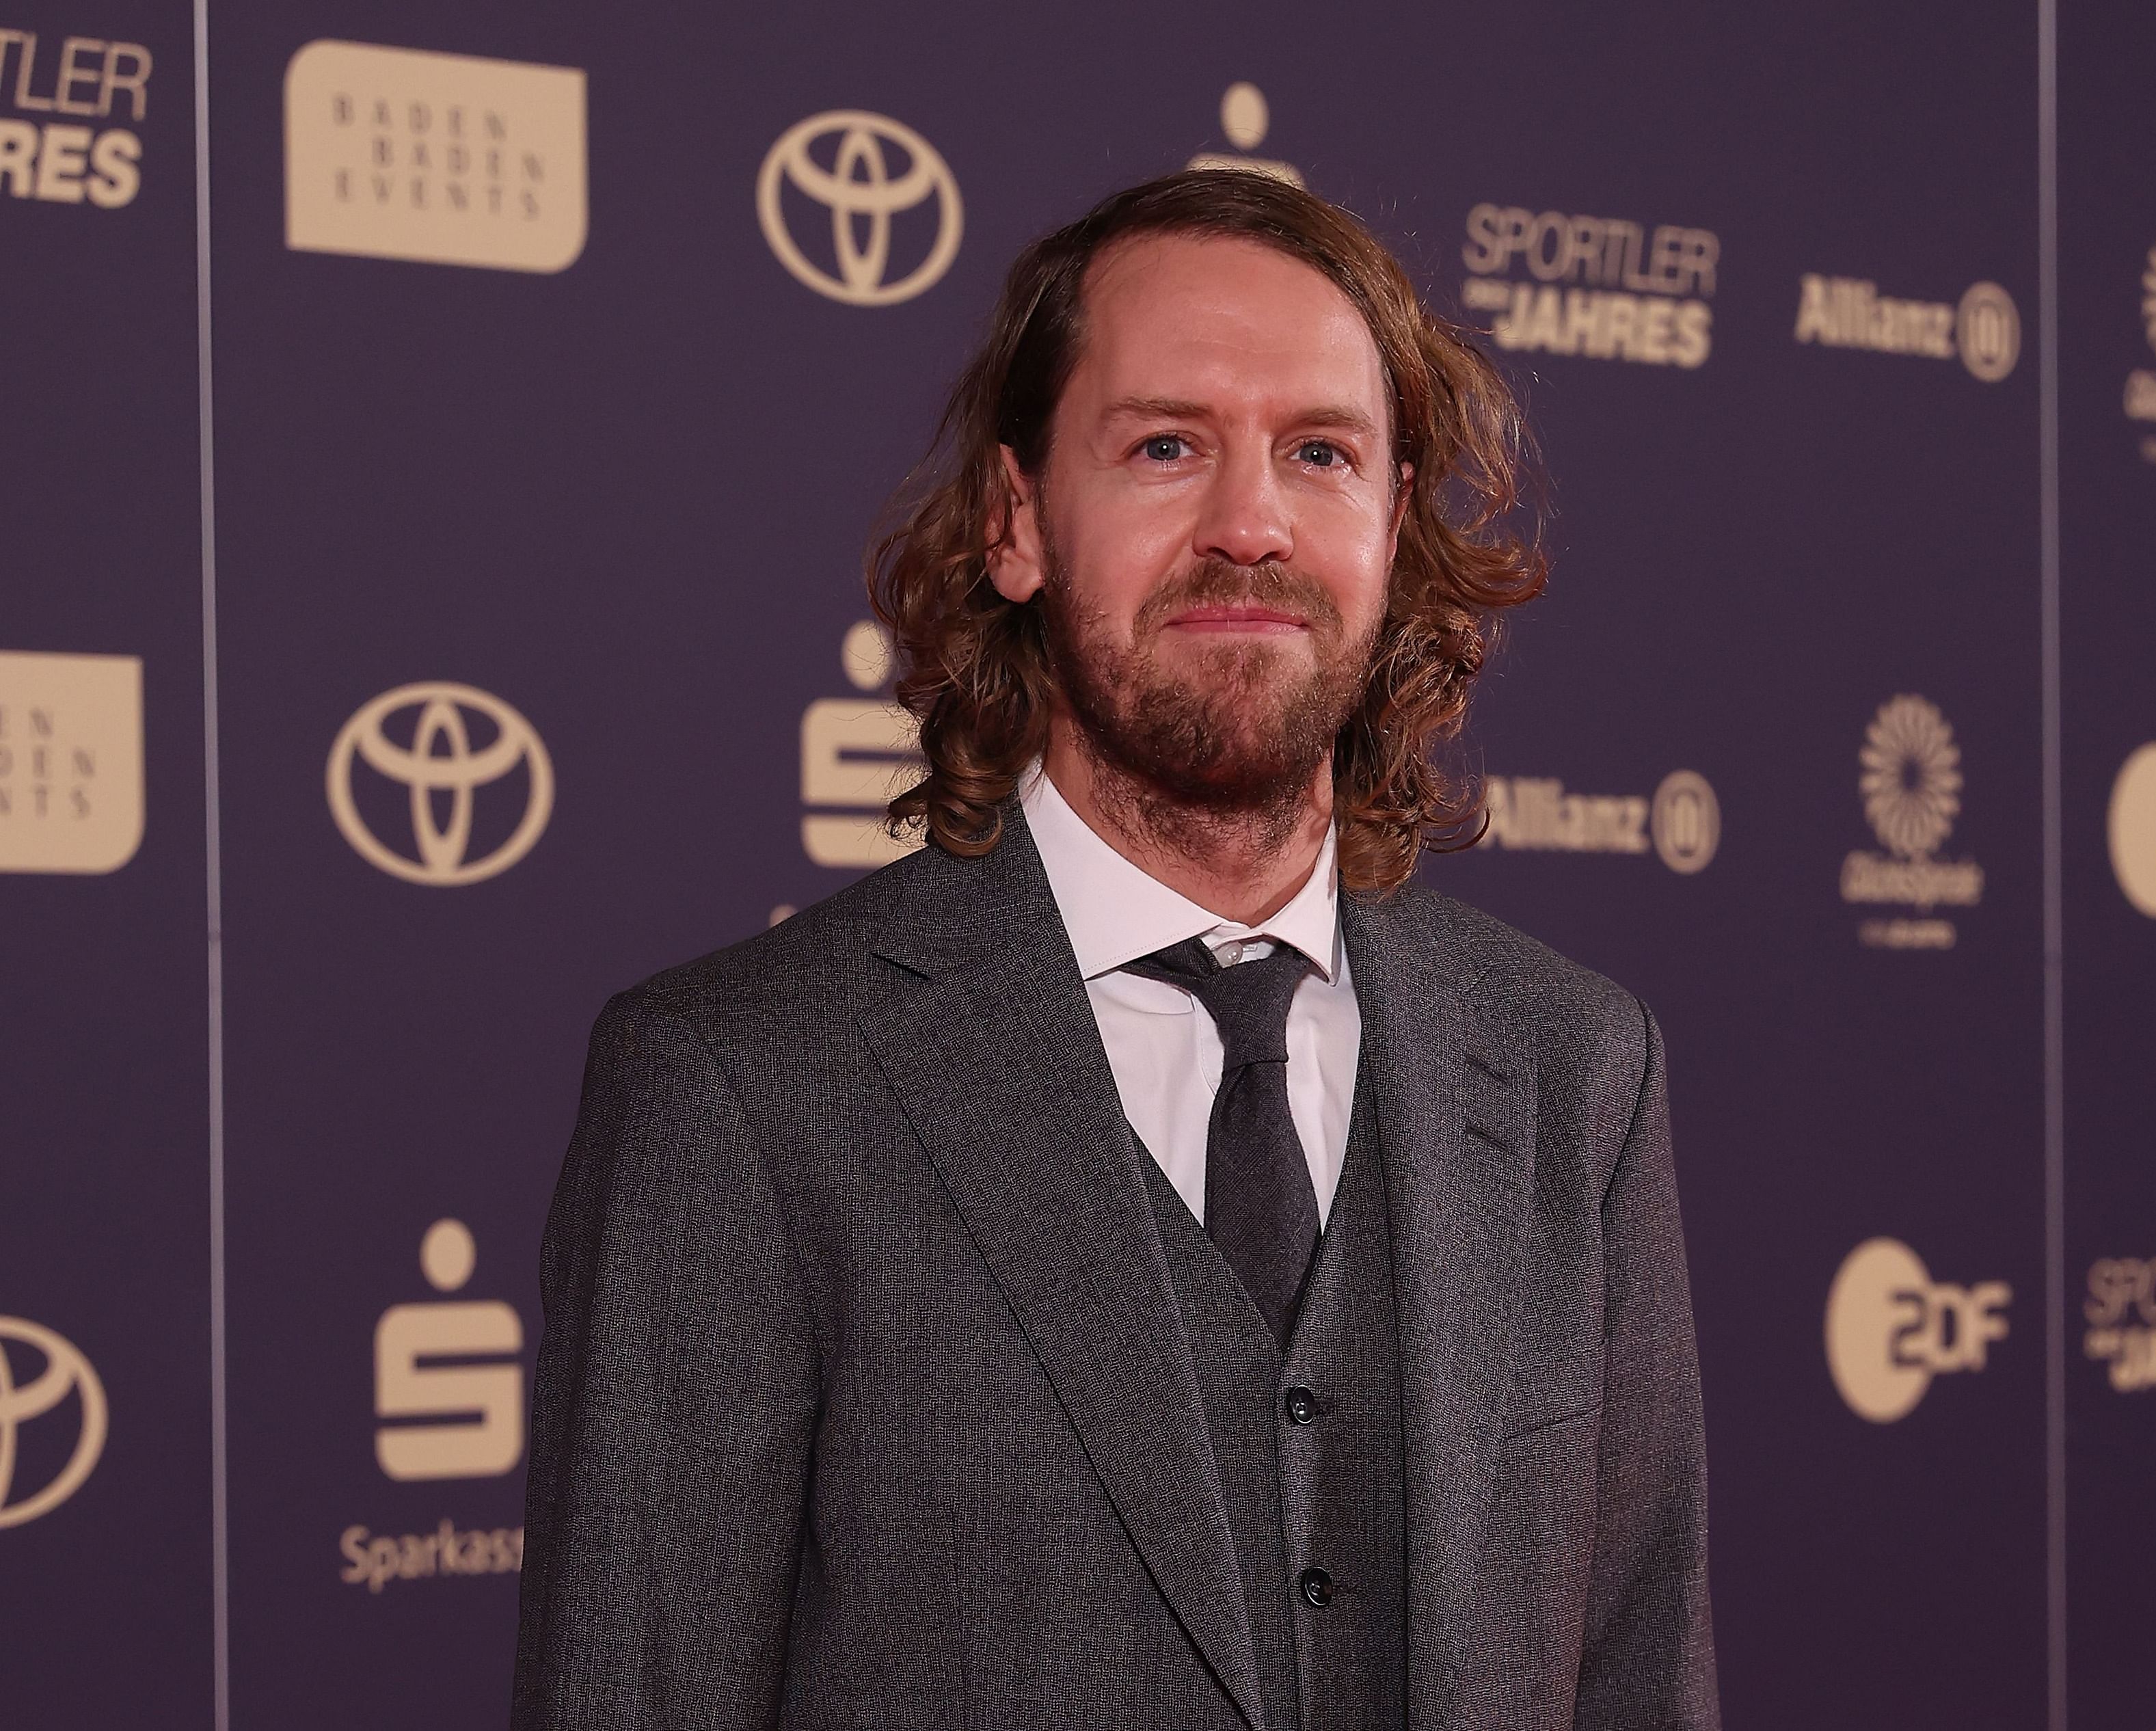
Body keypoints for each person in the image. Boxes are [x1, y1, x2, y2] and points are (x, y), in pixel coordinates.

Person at [514, 169, 1717, 1730]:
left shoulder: (1571, 1065)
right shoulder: (739, 1090)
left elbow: (1637, 1678)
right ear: (1017, 523)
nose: (1249, 525)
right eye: (1164, 447)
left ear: (1392, 523)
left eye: (1319, 454)